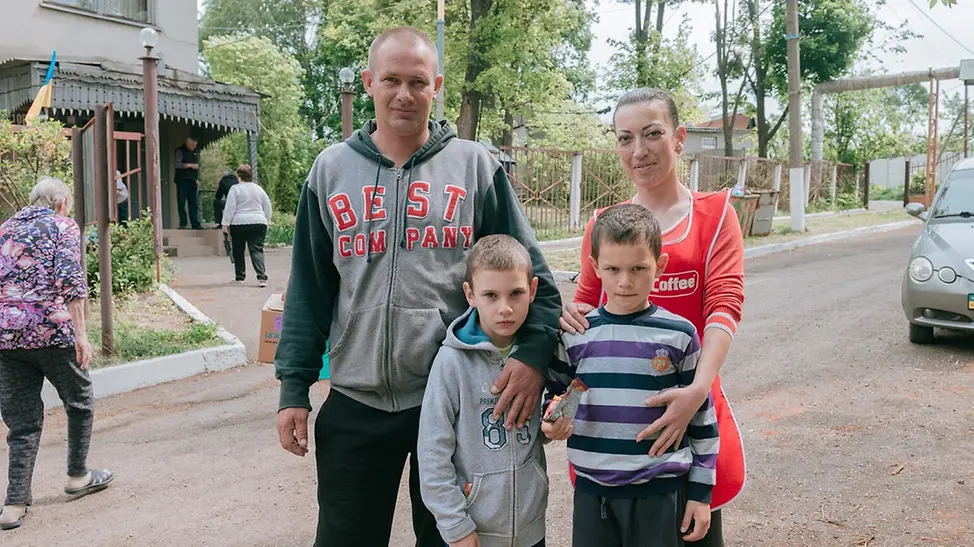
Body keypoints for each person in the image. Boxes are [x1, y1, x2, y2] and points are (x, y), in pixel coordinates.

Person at [273, 26, 561, 547]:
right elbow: (309, 291)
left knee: (458, 539)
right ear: (369, 82)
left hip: (455, 398)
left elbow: (532, 278)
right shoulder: (330, 170)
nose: (404, 93)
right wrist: (294, 387)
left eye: (417, 81)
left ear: (437, 86)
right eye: (391, 80)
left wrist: (535, 354)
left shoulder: (476, 168)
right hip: (357, 404)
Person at [560, 88, 745, 547]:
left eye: (652, 134)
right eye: (625, 139)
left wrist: (696, 391)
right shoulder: (604, 223)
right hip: (614, 428)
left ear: (679, 138)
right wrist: (563, 314)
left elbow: (724, 304)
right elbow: (584, 306)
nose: (638, 151)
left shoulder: (716, 214)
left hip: (692, 409)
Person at [544, 204, 718, 546]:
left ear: (660, 265)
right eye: (612, 269)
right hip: (593, 493)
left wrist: (700, 495)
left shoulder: (679, 335)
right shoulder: (577, 332)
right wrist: (551, 418)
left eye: (639, 268)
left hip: (660, 491)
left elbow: (702, 418)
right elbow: (560, 394)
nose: (625, 281)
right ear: (595, 268)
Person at [418, 235, 548, 547]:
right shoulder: (451, 362)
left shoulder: (539, 355)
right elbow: (432, 453)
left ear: (532, 290)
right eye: (491, 295)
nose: (505, 308)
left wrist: (558, 420)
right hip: (472, 532)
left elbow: (566, 395)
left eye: (515, 293)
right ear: (470, 294)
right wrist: (456, 526)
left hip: (531, 530)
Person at [0, 178, 115, 531]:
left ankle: (14, 505)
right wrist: (81, 335)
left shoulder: (4, 228)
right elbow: (71, 281)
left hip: (5, 335)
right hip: (50, 331)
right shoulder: (63, 225)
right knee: (79, 401)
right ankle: (78, 476)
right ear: (62, 202)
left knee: (22, 422)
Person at [221, 164, 271, 288]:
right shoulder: (259, 189)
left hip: (239, 223)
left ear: (239, 176)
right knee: (257, 249)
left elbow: (230, 207)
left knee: (238, 250)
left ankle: (240, 277)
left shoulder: (235, 189)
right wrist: (266, 220)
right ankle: (261, 277)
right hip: (258, 222)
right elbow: (267, 206)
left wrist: (225, 223)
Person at [174, 136, 202, 230]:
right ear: (188, 143)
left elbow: (197, 167)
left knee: (193, 203)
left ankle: (195, 224)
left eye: (195, 145)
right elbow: (178, 165)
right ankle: (183, 223)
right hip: (182, 180)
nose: (194, 147)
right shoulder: (179, 151)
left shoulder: (194, 152)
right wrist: (190, 165)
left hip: (192, 181)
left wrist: (196, 179)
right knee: (181, 202)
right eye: (193, 145)